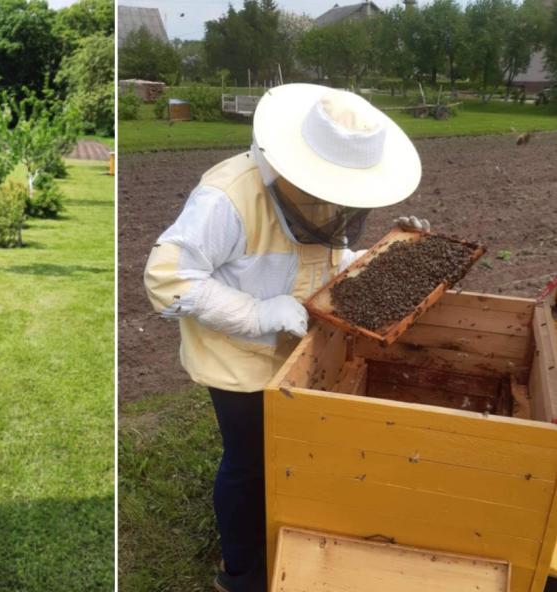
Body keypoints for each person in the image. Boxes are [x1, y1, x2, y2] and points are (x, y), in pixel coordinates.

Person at [143, 84, 426, 592]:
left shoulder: (321, 206)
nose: (335, 208)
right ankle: (240, 572)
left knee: (293, 453)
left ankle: (289, 538)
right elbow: (167, 279)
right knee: (248, 461)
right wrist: (258, 313)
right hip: (237, 360)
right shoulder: (228, 197)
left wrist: (392, 255)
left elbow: (330, 260)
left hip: (297, 351)